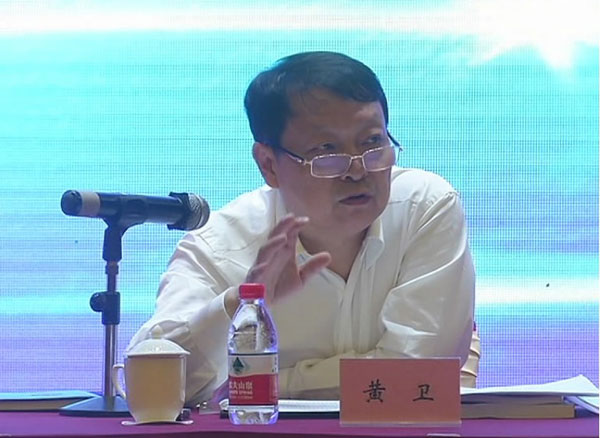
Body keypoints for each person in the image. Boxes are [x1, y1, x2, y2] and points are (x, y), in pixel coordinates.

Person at [128, 51, 475, 405]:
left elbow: (417, 370)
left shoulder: (425, 208)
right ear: (268, 164)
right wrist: (240, 303)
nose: (357, 170)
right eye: (327, 151)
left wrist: (267, 383)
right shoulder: (220, 246)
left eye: (372, 143)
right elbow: (148, 387)